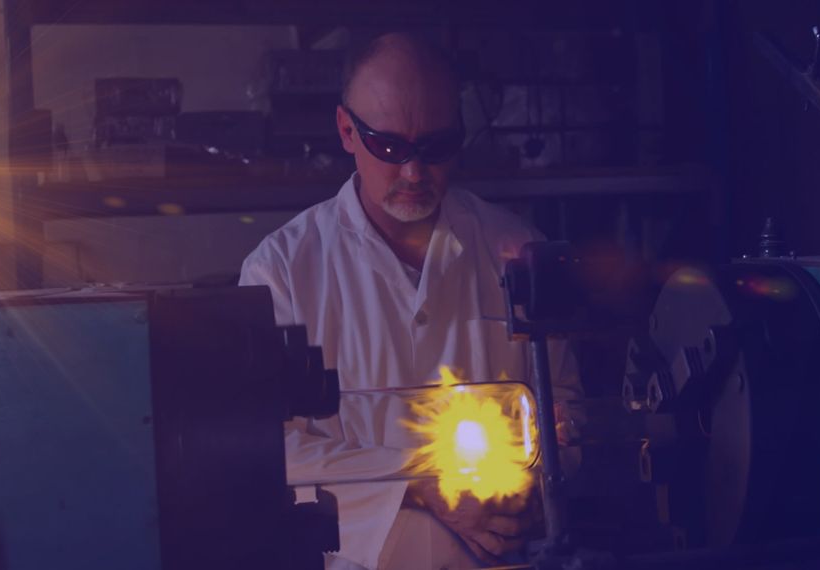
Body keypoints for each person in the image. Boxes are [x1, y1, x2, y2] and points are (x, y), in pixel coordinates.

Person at [240, 32, 580, 569]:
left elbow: (563, 403)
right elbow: (267, 446)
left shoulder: (513, 248)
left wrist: (532, 482)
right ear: (347, 130)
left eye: (437, 148)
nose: (415, 173)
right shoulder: (280, 271)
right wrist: (416, 483)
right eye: (391, 148)